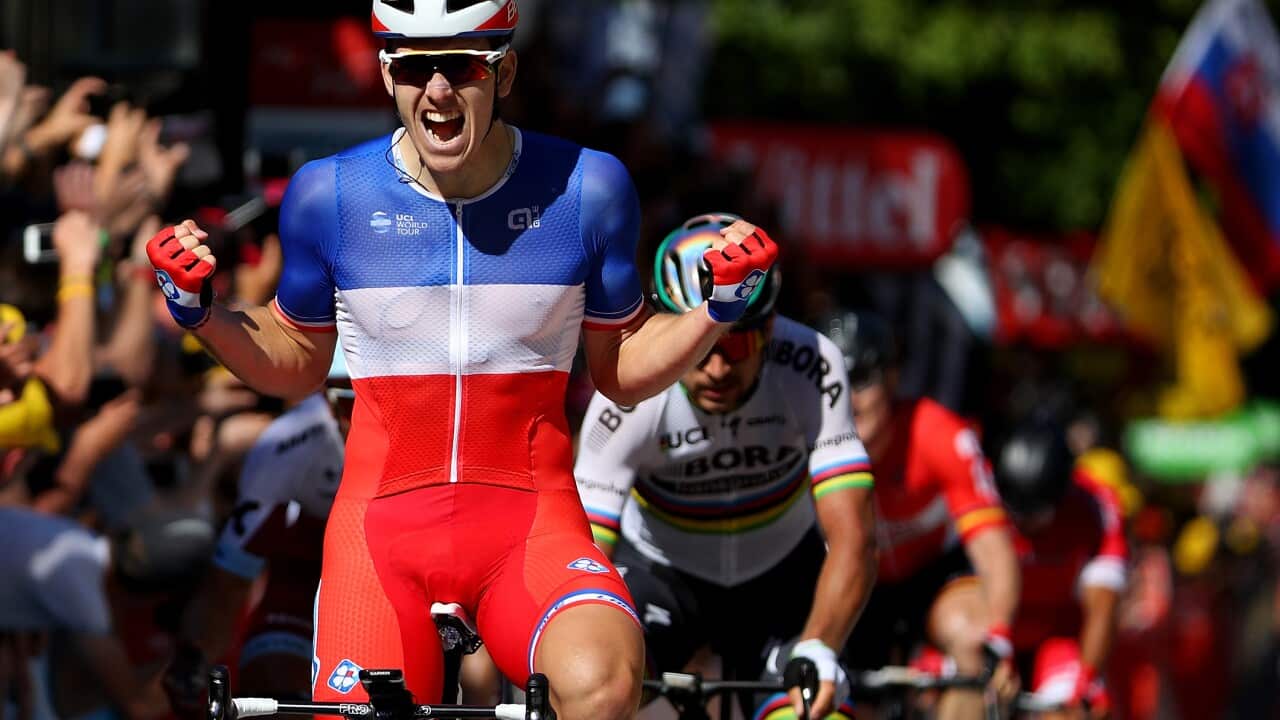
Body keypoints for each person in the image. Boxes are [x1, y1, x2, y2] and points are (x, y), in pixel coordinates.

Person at [144, 1, 779, 717]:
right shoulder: (329, 196)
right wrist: (204, 315)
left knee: (602, 685)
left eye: (460, 66)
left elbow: (621, 364)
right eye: (415, 68)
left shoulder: (588, 187)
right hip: (383, 533)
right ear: (388, 77)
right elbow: (295, 360)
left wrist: (714, 311)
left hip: (528, 523)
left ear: (503, 69)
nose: (437, 90)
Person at [574, 213, 877, 720]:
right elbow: (584, 552)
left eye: (733, 345)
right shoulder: (628, 396)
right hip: (662, 576)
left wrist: (821, 646)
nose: (715, 368)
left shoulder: (813, 364)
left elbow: (855, 536)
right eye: (698, 347)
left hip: (779, 579)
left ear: (770, 330)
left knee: (812, 708)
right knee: (599, 686)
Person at [819, 310, 1021, 720]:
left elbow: (994, 548)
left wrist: (998, 637)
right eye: (833, 385)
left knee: (973, 642)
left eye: (861, 380)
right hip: (856, 585)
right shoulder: (802, 443)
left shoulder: (938, 433)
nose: (848, 398)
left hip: (931, 579)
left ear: (892, 379)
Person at [161, 355, 348, 716]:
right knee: (278, 689)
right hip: (306, 577)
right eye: (344, 398)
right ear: (325, 394)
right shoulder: (286, 447)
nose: (355, 415)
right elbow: (230, 578)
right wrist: (199, 654)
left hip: (396, 564)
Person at [993, 423, 1127, 719]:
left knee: (1069, 709)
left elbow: (1103, 608)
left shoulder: (1096, 507)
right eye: (1015, 511)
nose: (1023, 522)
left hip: (1056, 639)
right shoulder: (982, 493)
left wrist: (1084, 682)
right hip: (993, 630)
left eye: (1034, 513)